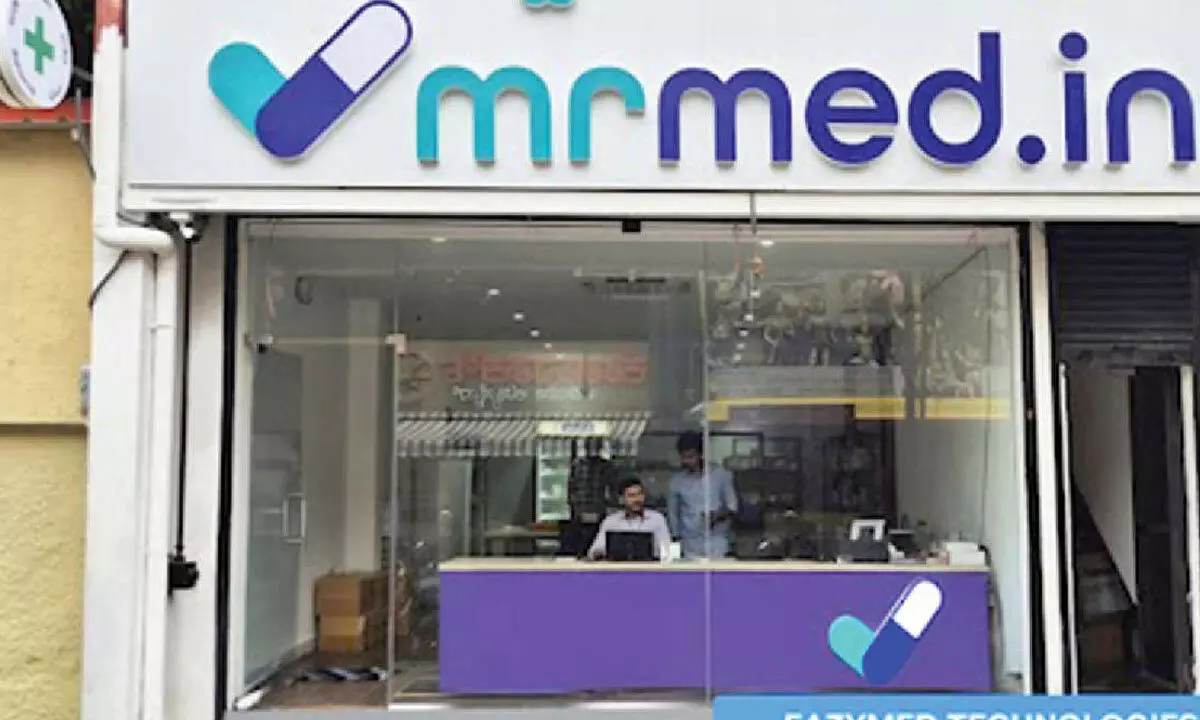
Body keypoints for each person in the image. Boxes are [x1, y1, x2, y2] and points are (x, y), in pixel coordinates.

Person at [668, 430, 738, 559]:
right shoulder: (677, 482)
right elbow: (673, 517)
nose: (687, 461)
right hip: (689, 548)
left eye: (691, 456)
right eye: (684, 457)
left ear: (701, 454)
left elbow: (733, 507)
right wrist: (676, 544)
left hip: (718, 544)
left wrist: (717, 516)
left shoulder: (721, 475)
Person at [588, 477, 671, 560]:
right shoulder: (611, 521)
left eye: (640, 494)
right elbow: (594, 551)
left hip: (649, 566)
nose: (637, 499)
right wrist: (598, 554)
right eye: (631, 496)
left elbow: (667, 551)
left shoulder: (657, 519)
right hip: (617, 567)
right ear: (622, 499)